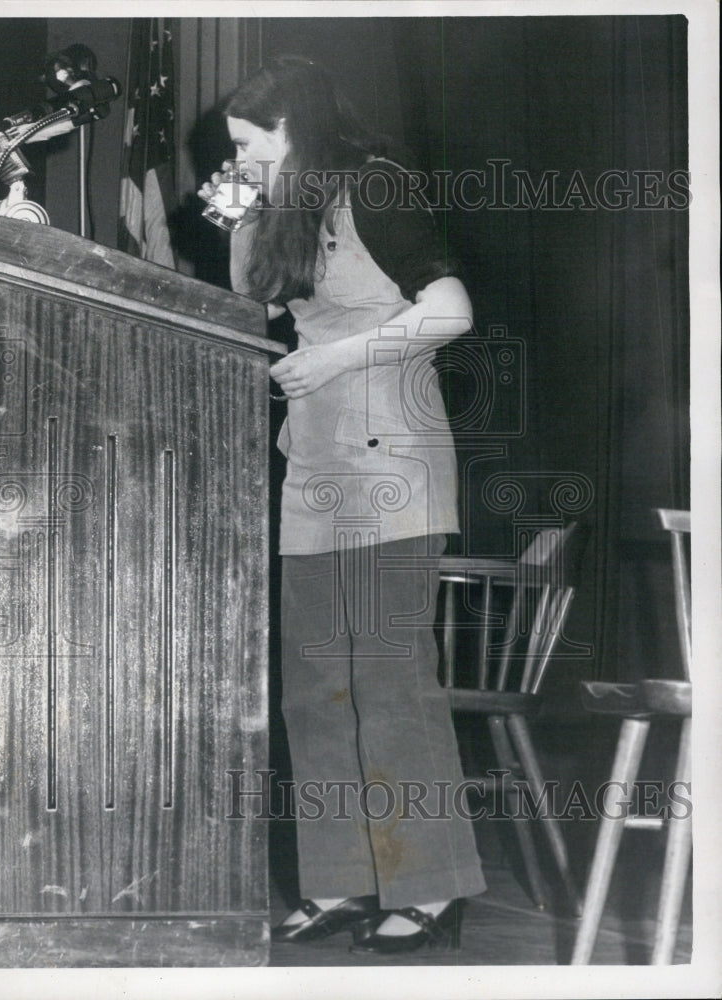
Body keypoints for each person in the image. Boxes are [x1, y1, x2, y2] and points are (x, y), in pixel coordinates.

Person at [198, 55, 486, 955]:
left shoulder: (375, 189)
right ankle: (340, 882)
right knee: (315, 692)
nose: (241, 158)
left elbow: (449, 311)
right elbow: (250, 307)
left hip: (391, 458)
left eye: (251, 146)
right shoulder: (291, 208)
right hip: (315, 466)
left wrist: (333, 359)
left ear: (299, 132)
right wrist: (236, 217)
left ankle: (428, 888)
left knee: (388, 684)